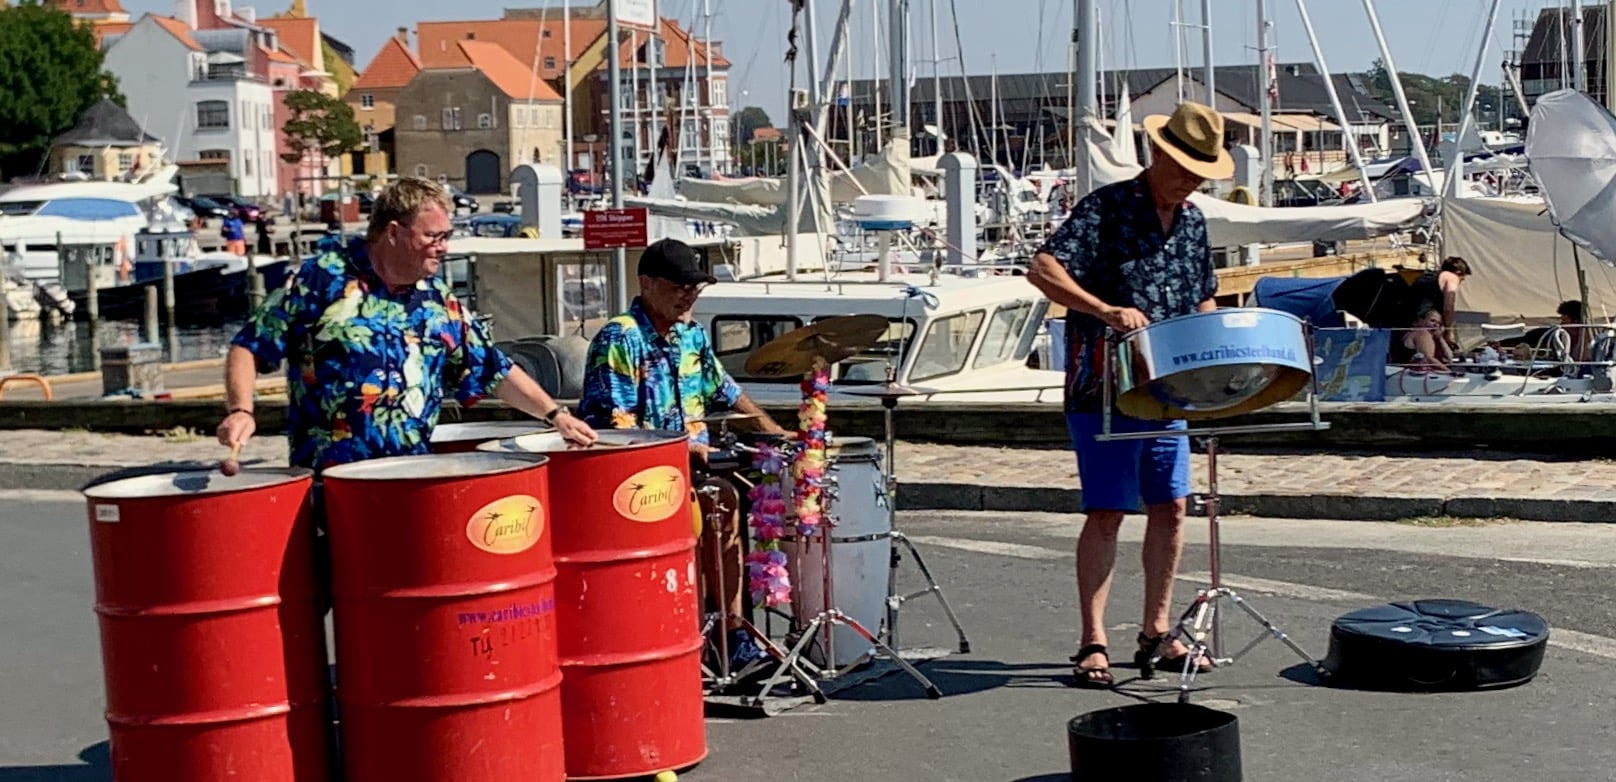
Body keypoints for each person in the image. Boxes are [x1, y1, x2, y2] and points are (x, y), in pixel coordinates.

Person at [1027, 101, 1226, 688]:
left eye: (1200, 173)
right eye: (1185, 169)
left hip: (1168, 389)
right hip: (1105, 386)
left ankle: (1156, 632)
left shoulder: (1192, 222)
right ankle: (1093, 639)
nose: (1191, 182)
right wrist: (1103, 309)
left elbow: (1203, 295)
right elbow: (1042, 268)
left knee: (1172, 506)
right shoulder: (1107, 208)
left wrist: (1214, 349)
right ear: (1158, 155)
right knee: (1108, 510)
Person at [216, 176, 597, 473]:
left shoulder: (438, 301)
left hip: (411, 476)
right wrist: (241, 410)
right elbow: (248, 347)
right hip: (330, 479)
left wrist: (555, 415)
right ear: (394, 232)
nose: (443, 246)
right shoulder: (321, 280)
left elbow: (493, 369)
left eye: (446, 236)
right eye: (433, 236)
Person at [578, 237, 788, 672]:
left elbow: (725, 390)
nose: (689, 294)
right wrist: (684, 447)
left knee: (727, 502)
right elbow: (617, 427)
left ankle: (731, 635)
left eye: (695, 286)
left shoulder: (689, 335)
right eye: (679, 285)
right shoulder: (622, 337)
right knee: (700, 515)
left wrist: (771, 431)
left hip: (690, 468)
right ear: (648, 283)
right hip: (636, 476)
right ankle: (685, 637)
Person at [1410, 256, 1470, 350]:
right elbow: (1448, 306)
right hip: (1427, 324)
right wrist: (1448, 332)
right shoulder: (1451, 277)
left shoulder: (1427, 277)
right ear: (1458, 272)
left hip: (1411, 321)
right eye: (1462, 278)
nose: (1461, 281)